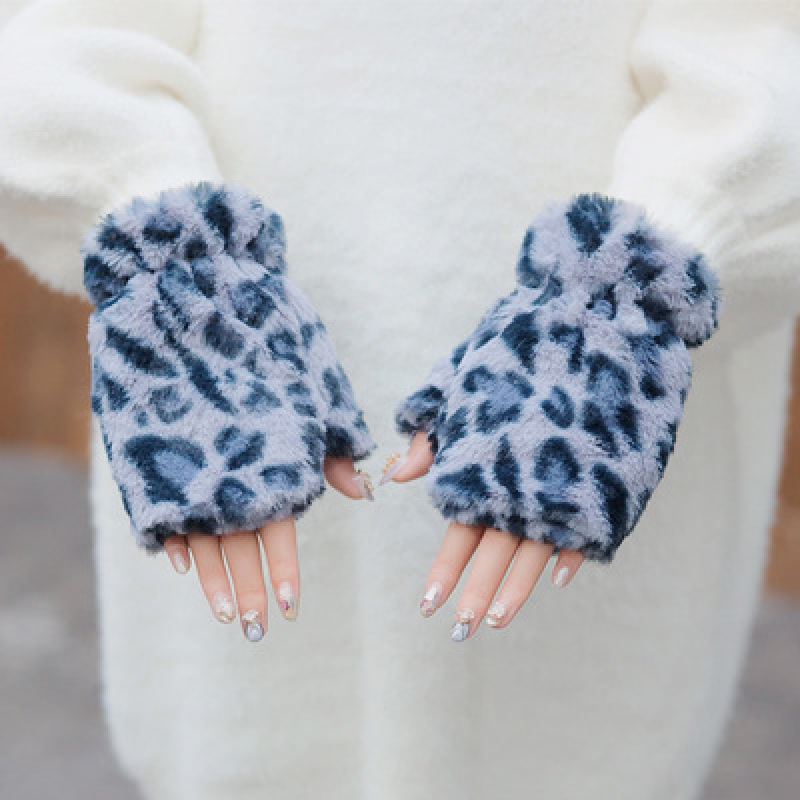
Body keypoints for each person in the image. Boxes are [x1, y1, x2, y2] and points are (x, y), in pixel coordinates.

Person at [0, 1, 798, 798]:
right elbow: (61, 43)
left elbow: (765, 56)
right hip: (233, 392)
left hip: (601, 409)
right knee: (254, 741)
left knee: (564, 753)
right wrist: (174, 267)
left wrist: (632, 288)